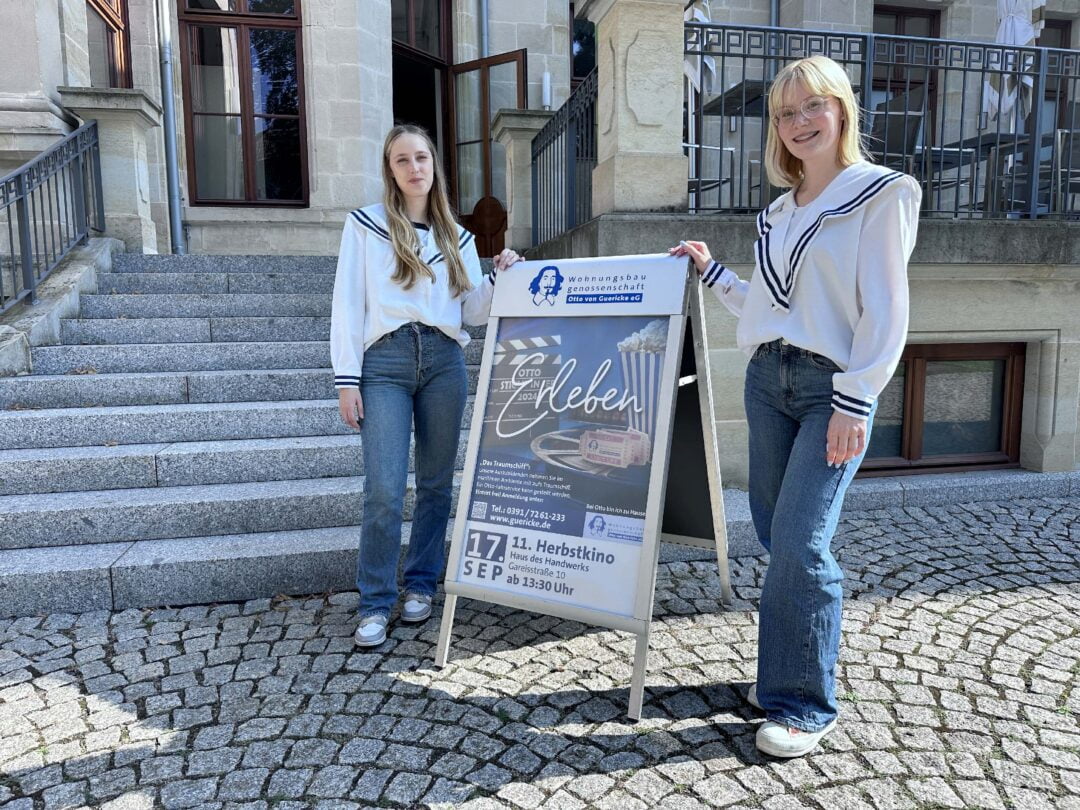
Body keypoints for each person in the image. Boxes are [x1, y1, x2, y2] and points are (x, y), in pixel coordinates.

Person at [672, 55, 921, 757]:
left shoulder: (883, 193)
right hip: (768, 381)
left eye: (813, 105)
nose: (800, 122)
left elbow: (886, 310)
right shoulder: (777, 212)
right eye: (785, 113)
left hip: (831, 390)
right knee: (778, 538)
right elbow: (773, 308)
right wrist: (715, 272)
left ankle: (805, 704)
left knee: (805, 542)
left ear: (842, 108)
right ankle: (783, 673)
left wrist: (856, 399)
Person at [331, 124, 521, 647]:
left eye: (421, 158)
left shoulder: (456, 237)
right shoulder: (366, 226)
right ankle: (374, 600)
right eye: (401, 160)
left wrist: (498, 275)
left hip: (443, 361)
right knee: (385, 489)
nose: (414, 168)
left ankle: (420, 585)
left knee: (437, 484)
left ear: (434, 166)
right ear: (389, 171)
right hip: (384, 362)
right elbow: (347, 301)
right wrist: (347, 379)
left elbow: (471, 313)